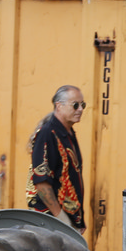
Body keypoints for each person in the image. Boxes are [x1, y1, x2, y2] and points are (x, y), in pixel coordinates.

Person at [25, 85, 87, 233]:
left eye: (82, 105)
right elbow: (41, 183)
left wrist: (78, 220)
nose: (80, 109)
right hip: (51, 222)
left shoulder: (67, 133)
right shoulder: (47, 134)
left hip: (67, 221)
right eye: (75, 105)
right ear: (59, 106)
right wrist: (62, 220)